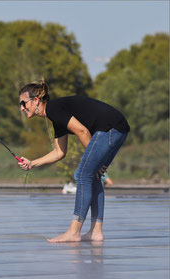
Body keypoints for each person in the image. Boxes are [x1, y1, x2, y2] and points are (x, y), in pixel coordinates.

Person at [17, 80, 130, 242]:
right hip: (118, 128)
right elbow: (59, 152)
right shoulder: (56, 115)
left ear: (36, 101)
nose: (21, 107)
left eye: (23, 103)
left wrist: (93, 160)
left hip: (110, 128)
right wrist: (32, 163)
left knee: (82, 175)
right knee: (92, 176)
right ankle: (96, 232)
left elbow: (83, 131)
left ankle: (73, 232)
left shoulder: (53, 109)